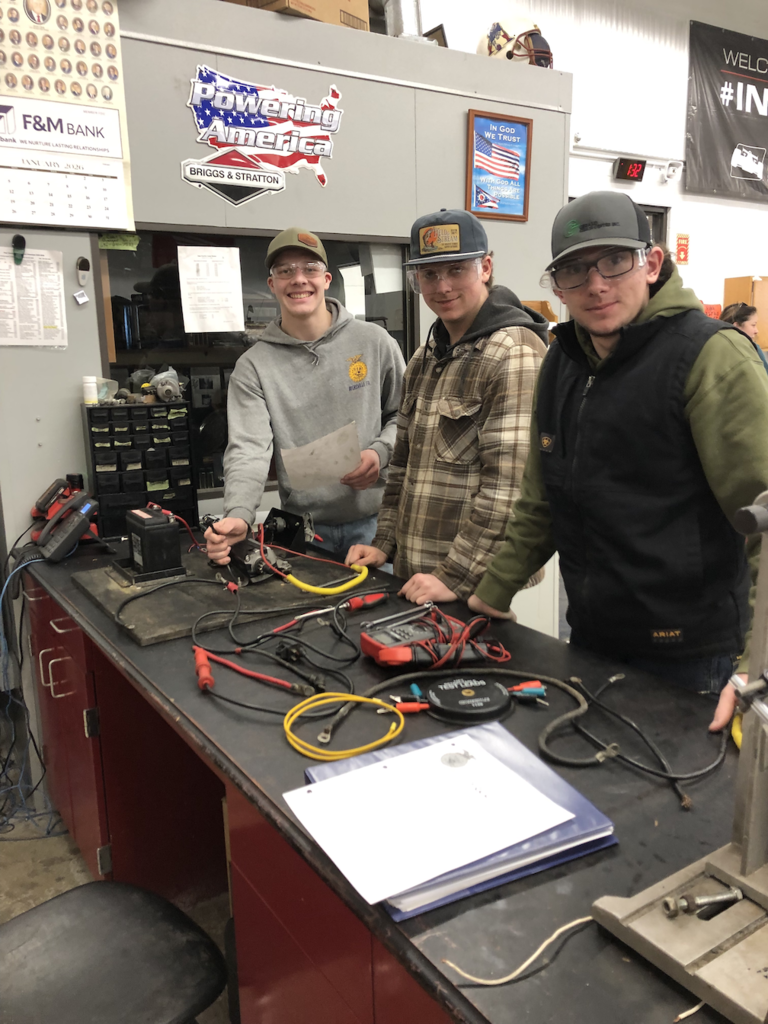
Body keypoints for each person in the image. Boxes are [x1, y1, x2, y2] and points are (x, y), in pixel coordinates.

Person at [468, 191, 768, 732]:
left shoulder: (709, 356)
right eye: (574, 270)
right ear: (557, 286)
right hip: (590, 639)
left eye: (614, 260)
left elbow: (764, 519)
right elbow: (543, 498)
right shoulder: (563, 358)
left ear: (651, 263)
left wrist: (759, 671)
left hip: (693, 660)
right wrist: (492, 594)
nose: (596, 284)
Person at [345, 209, 549, 604]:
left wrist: (453, 576)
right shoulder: (426, 356)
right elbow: (402, 466)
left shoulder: (514, 351)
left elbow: (510, 491)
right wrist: (384, 543)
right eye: (429, 274)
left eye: (456, 270)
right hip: (418, 573)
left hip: (471, 583)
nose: (442, 286)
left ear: (486, 267)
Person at [205, 227, 405, 564]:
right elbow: (249, 449)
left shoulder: (375, 342)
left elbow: (406, 417)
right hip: (305, 531)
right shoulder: (253, 367)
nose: (299, 279)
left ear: (326, 279)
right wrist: (239, 514)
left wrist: (380, 452)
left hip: (378, 528)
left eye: (309, 269)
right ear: (273, 285)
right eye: (285, 271)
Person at [721, 302, 768, 372]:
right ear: (736, 326)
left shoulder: (714, 347)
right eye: (753, 325)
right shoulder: (753, 349)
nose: (756, 331)